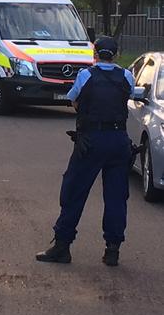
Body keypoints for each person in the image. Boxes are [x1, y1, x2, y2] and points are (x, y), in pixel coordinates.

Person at [36, 36, 135, 267]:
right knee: (116, 197)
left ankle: (62, 246)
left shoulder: (86, 75)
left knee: (74, 191)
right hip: (119, 141)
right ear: (117, 54)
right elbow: (127, 98)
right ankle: (112, 250)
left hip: (91, 141)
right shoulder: (126, 76)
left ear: (95, 53)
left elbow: (74, 101)